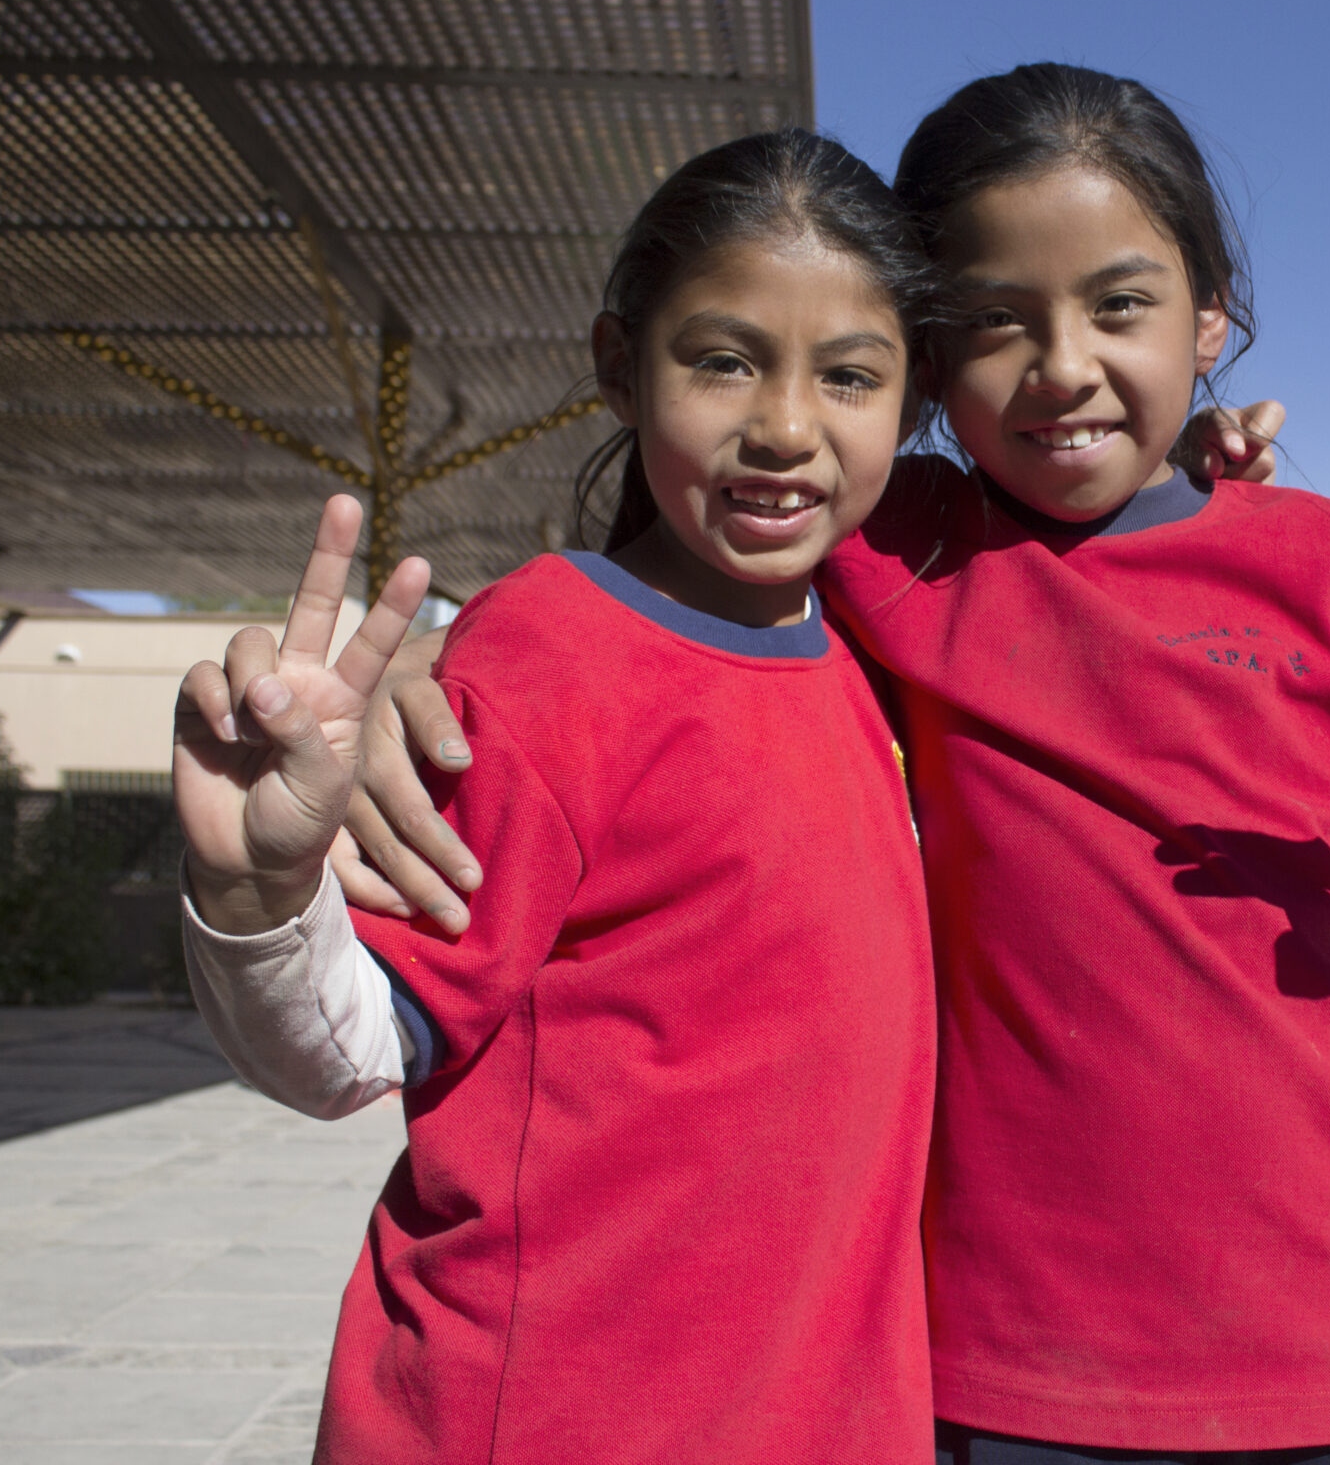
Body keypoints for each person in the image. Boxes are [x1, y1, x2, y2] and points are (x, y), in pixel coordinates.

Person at [347, 65, 1330, 1464]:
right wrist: (437, 650)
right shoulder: (905, 545)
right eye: (997, 322)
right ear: (926, 363)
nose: (1064, 364)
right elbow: (681, 562)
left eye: (1120, 306)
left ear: (1213, 324)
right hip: (1002, 1376)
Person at [171, 128, 950, 1463]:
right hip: (548, 1420)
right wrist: (256, 888)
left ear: (908, 400)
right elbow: (350, 1049)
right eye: (722, 359)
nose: (784, 426)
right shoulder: (549, 655)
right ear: (619, 367)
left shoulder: (878, 656)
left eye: (851, 377)